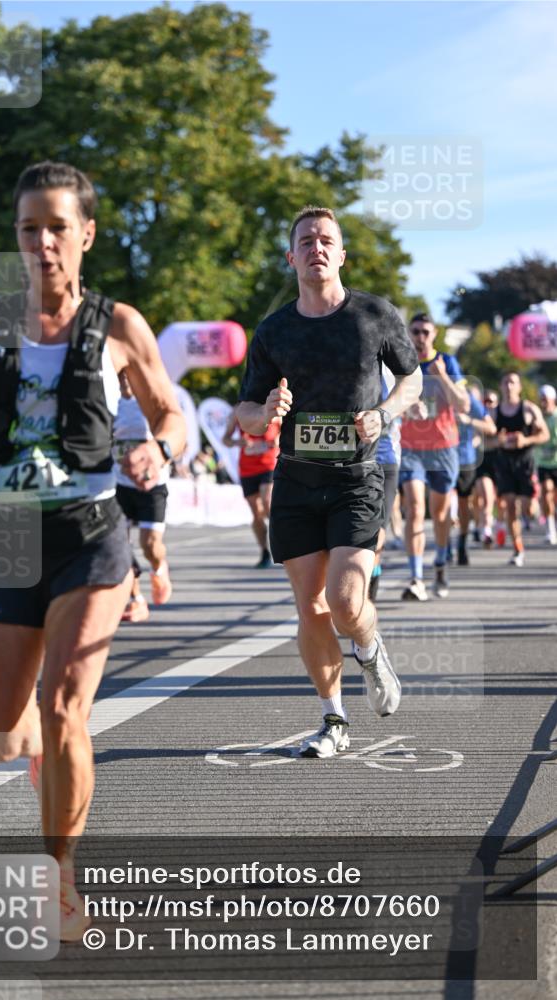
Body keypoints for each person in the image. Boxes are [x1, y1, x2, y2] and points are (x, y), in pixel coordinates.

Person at [0, 161, 185, 936]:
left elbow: (169, 414)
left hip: (90, 531)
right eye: (27, 229)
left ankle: (59, 875)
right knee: (3, 732)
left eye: (55, 227)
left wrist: (159, 453)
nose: (41, 242)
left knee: (66, 705)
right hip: (6, 530)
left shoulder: (120, 326)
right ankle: (40, 744)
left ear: (85, 234)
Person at [237, 205, 421, 760]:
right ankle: (333, 717)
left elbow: (412, 379)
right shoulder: (273, 331)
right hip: (295, 479)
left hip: (357, 477)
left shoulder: (374, 315)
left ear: (341, 254)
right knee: (310, 607)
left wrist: (384, 414)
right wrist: (265, 409)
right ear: (291, 257)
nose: (316, 247)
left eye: (326, 240)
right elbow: (244, 414)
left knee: (345, 600)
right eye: (306, 240)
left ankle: (369, 646)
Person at [399, 313, 470, 601]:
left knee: (440, 514)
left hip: (443, 447)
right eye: (415, 332)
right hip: (411, 448)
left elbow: (463, 405)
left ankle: (440, 561)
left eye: (425, 332)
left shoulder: (448, 363)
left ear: (434, 334)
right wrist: (407, 405)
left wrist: (442, 377)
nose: (420, 337)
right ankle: (416, 577)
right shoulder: (402, 363)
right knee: (415, 509)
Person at [114, 370, 173, 622]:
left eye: (130, 374)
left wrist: (162, 453)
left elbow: (174, 433)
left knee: (150, 545)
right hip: (119, 482)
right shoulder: (108, 401)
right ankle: (136, 599)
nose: (126, 379)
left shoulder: (149, 401)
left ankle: (159, 568)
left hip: (152, 484)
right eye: (121, 375)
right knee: (119, 546)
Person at [492, 372, 549, 566]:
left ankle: (534, 503)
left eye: (513, 382)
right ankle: (518, 549)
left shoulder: (529, 409)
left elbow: (545, 435)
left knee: (528, 509)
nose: (509, 386)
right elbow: (483, 441)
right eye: (506, 382)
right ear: (501, 386)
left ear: (519, 387)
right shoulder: (494, 412)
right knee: (509, 507)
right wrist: (496, 441)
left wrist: (526, 440)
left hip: (525, 462)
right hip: (504, 463)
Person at [223, 409, 280, 568]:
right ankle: (264, 551)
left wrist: (278, 439)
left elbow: (287, 433)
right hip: (247, 469)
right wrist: (236, 442)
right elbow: (225, 439)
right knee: (256, 512)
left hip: (269, 464)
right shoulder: (239, 411)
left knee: (267, 502)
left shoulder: (275, 409)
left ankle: (282, 542)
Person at [368, 367, 402, 602]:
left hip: (387, 460)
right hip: (357, 459)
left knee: (378, 532)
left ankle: (371, 582)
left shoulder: (392, 372)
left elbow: (409, 395)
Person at [453, 384, 496, 565]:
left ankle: (462, 542)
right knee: (443, 503)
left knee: (464, 504)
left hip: (465, 458)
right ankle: (444, 547)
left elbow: (491, 428)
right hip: (438, 455)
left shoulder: (468, 397)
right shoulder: (432, 391)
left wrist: (468, 420)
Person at [473, 388, 500, 548]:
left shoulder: (501, 417)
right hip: (481, 461)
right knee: (484, 497)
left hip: (498, 461)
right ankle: (486, 531)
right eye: (485, 401)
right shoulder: (479, 417)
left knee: (500, 502)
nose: (488, 404)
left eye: (491, 401)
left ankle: (498, 525)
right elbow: (476, 439)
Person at [536, 384, 557, 546]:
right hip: (544, 463)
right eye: (541, 400)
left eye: (546, 400)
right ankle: (550, 529)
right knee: (546, 492)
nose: (544, 403)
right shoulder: (538, 418)